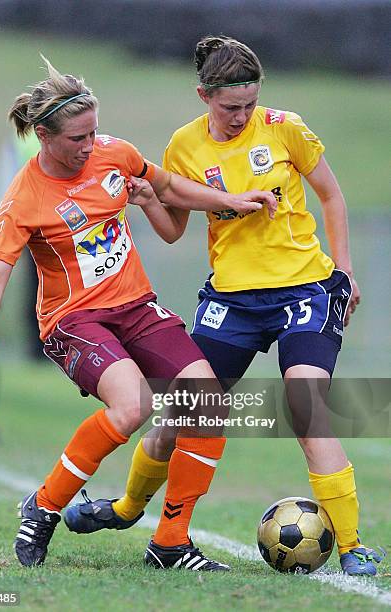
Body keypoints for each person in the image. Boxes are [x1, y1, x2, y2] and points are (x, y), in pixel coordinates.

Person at [65, 35, 385, 577]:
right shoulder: (184, 147)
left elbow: (331, 195)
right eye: (230, 106)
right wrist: (146, 202)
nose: (242, 116)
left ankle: (352, 547)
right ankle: (126, 509)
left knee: (307, 410)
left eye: (249, 104)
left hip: (305, 289)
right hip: (232, 300)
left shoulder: (285, 128)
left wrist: (345, 270)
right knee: (185, 415)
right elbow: (172, 232)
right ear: (203, 96)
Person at [0, 56, 277, 570]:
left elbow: (170, 189)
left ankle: (171, 543)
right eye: (76, 139)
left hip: (136, 307)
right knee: (132, 408)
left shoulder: (115, 154)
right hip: (74, 320)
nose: (89, 146)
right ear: (43, 134)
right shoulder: (23, 198)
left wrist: (230, 200)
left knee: (208, 404)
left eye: (93, 133)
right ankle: (43, 505)